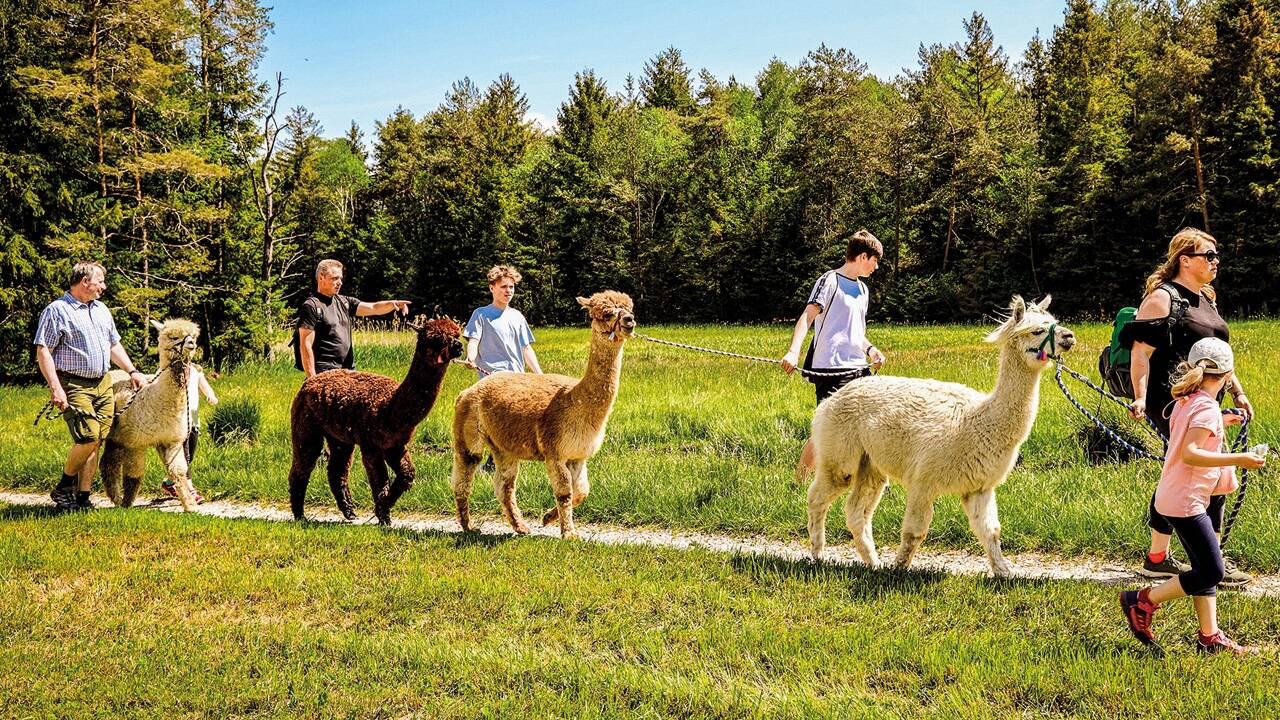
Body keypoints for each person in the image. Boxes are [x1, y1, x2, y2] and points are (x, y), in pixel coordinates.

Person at [1119, 338, 1265, 655]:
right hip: (1186, 503)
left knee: (1202, 565)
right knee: (1212, 571)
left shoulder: (1188, 401)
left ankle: (1209, 637)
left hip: (1172, 496)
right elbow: (1191, 452)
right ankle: (1141, 600)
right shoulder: (1206, 408)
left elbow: (1188, 433)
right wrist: (1240, 459)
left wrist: (1220, 422)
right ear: (1228, 375)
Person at [1125, 228, 1254, 585]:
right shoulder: (1162, 299)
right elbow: (1141, 353)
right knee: (1206, 473)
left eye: (1216, 255)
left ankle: (1158, 558)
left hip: (1208, 400)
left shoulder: (1206, 298)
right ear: (1185, 260)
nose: (1216, 261)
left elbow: (1217, 356)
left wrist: (1237, 392)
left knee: (1185, 474)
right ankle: (1212, 560)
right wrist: (1139, 396)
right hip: (1173, 402)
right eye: (1208, 255)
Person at [33, 262, 148, 510]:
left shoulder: (101, 309)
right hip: (74, 383)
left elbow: (113, 345)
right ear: (85, 281)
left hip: (102, 383)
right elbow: (43, 351)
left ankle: (83, 497)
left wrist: (132, 371)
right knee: (88, 436)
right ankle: (64, 487)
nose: (103, 287)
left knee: (98, 440)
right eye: (100, 281)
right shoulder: (57, 310)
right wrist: (56, 388)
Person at [780, 229, 887, 481]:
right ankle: (799, 482)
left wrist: (871, 350)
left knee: (869, 427)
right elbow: (807, 317)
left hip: (859, 369)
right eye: (875, 260)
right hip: (831, 369)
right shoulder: (830, 281)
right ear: (862, 256)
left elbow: (855, 333)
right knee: (826, 431)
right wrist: (793, 352)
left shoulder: (863, 290)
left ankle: (869, 482)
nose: (876, 267)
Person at [296, 259, 412, 379]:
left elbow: (373, 308)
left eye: (340, 278)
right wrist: (312, 379)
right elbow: (305, 344)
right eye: (335, 278)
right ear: (321, 277)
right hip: (325, 373)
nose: (340, 282)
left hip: (348, 371)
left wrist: (393, 304)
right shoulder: (311, 306)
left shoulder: (345, 302)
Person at [460, 265, 543, 378]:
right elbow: (473, 342)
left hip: (517, 378)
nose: (508, 290)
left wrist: (540, 375)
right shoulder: (480, 314)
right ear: (492, 288)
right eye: (503, 286)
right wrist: (470, 357)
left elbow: (526, 349)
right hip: (492, 379)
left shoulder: (517, 316)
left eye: (511, 287)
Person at [160, 363, 218, 503]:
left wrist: (210, 395)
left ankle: (169, 482)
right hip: (178, 416)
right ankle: (190, 490)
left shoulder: (195, 370)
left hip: (194, 414)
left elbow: (205, 386)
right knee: (184, 455)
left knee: (190, 452)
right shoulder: (169, 369)